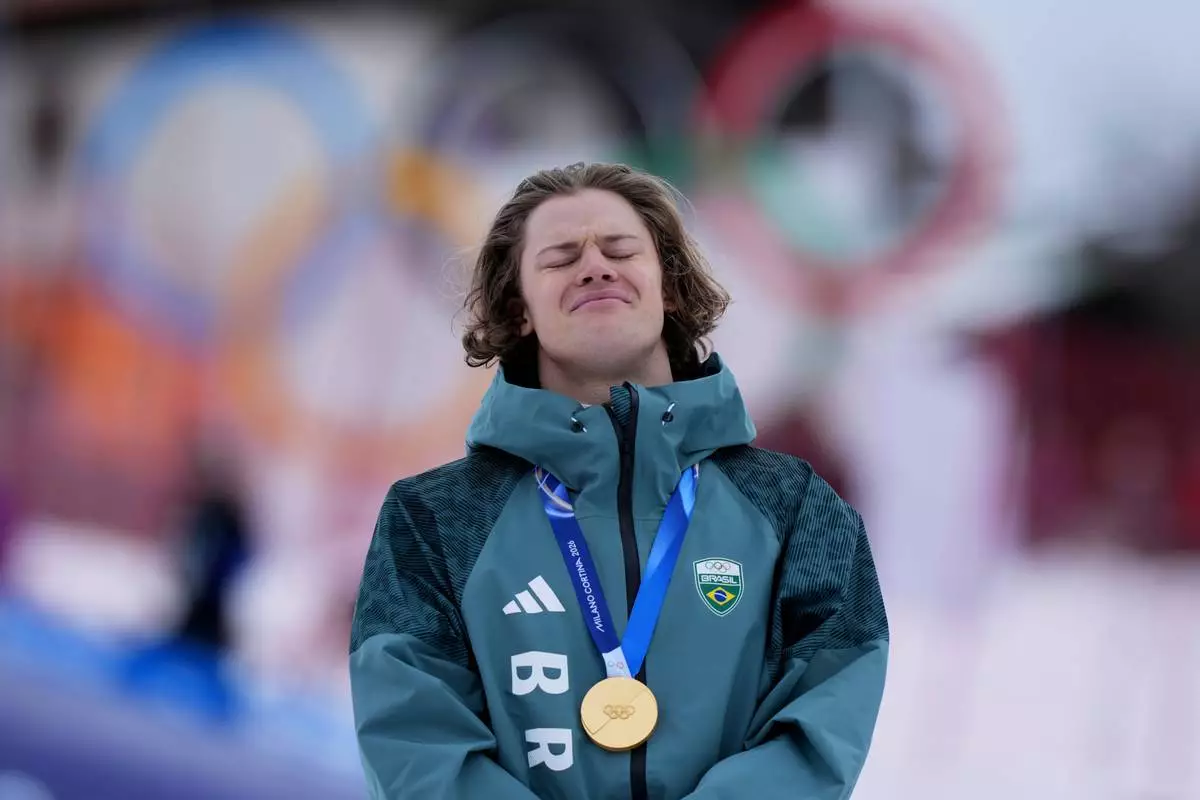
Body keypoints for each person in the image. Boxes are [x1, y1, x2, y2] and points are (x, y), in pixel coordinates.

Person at [349, 162, 889, 799]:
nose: (595, 265)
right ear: (519, 310)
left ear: (672, 290)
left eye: (620, 249)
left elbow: (826, 711)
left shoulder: (793, 505)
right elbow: (415, 738)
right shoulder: (434, 518)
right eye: (560, 257)